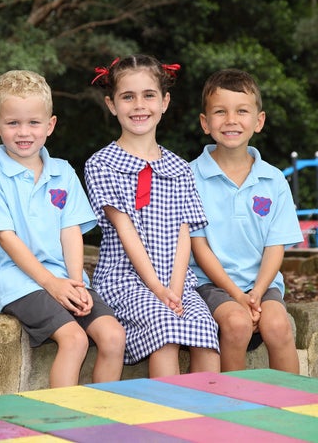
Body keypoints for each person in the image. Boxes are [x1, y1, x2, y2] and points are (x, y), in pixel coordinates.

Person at [0, 69, 125, 388]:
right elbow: (7, 239)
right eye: (13, 123)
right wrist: (52, 284)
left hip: (65, 277)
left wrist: (76, 281)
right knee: (74, 340)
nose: (23, 132)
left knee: (113, 336)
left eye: (33, 122)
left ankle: (103, 421)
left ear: (50, 125)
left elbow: (70, 230)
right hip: (20, 282)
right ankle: (62, 426)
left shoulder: (63, 172)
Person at [84, 54, 220, 378]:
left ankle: (208, 419)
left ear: (165, 102)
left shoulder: (180, 168)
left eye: (148, 95)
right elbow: (124, 229)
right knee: (165, 328)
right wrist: (159, 291)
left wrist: (174, 287)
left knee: (206, 331)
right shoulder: (101, 164)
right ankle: (163, 421)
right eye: (127, 97)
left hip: (177, 281)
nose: (139, 105)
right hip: (126, 280)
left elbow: (184, 232)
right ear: (111, 104)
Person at [189, 68, 304, 373]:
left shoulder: (274, 179)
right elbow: (198, 247)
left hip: (262, 284)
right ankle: (235, 410)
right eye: (220, 112)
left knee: (279, 326)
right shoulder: (189, 177)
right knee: (237, 324)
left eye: (242, 111)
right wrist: (238, 295)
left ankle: (294, 408)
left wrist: (255, 292)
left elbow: (275, 246)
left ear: (259, 121)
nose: (231, 120)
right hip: (209, 284)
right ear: (205, 123)